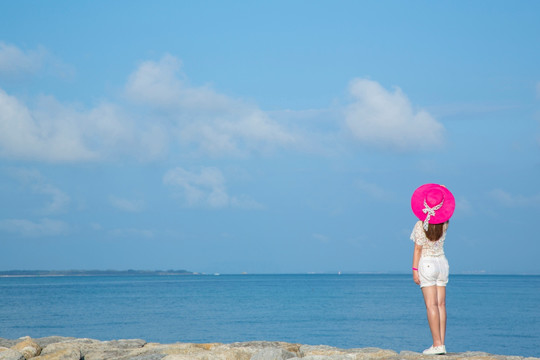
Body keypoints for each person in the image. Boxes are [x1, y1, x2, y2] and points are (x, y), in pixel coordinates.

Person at [410, 183, 455, 355]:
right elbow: (446, 211)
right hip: (442, 263)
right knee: (441, 305)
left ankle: (436, 344)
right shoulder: (445, 223)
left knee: (431, 306)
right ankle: (441, 343)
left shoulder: (420, 225)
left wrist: (415, 269)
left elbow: (418, 249)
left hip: (427, 264)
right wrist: (443, 192)